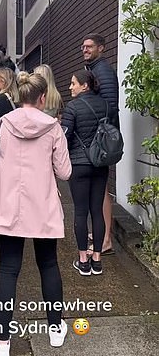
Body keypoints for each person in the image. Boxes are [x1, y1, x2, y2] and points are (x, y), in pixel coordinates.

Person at [0, 73, 72, 355]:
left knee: (8, 270)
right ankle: (55, 330)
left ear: (20, 96)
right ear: (43, 98)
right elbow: (65, 172)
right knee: (48, 265)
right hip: (43, 207)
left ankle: (4, 342)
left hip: (9, 206)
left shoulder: (1, 124)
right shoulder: (53, 128)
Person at [61, 70, 115, 276]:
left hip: (79, 164)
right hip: (100, 164)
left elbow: (64, 138)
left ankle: (83, 260)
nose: (70, 87)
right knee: (97, 211)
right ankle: (97, 260)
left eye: (73, 83)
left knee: (81, 211)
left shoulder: (73, 107)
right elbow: (111, 132)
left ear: (85, 86)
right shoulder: (106, 106)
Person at [82, 33, 119, 255]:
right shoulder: (95, 69)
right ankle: (100, 232)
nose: (85, 50)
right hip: (99, 138)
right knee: (98, 188)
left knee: (102, 189)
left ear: (101, 48)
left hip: (101, 140)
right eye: (83, 47)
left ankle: (105, 240)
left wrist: (98, 134)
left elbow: (109, 106)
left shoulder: (102, 71)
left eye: (89, 47)